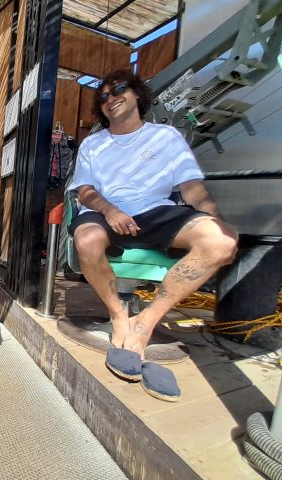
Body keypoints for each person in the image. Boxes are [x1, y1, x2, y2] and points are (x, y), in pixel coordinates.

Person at [67, 70, 238, 383]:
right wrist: (111, 210)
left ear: (137, 94)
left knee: (221, 242)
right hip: (104, 210)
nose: (110, 98)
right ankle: (119, 315)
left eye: (118, 89)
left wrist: (218, 221)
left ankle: (145, 322)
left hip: (156, 211)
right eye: (103, 96)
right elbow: (85, 191)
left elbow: (193, 189)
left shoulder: (166, 137)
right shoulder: (93, 144)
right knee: (87, 240)